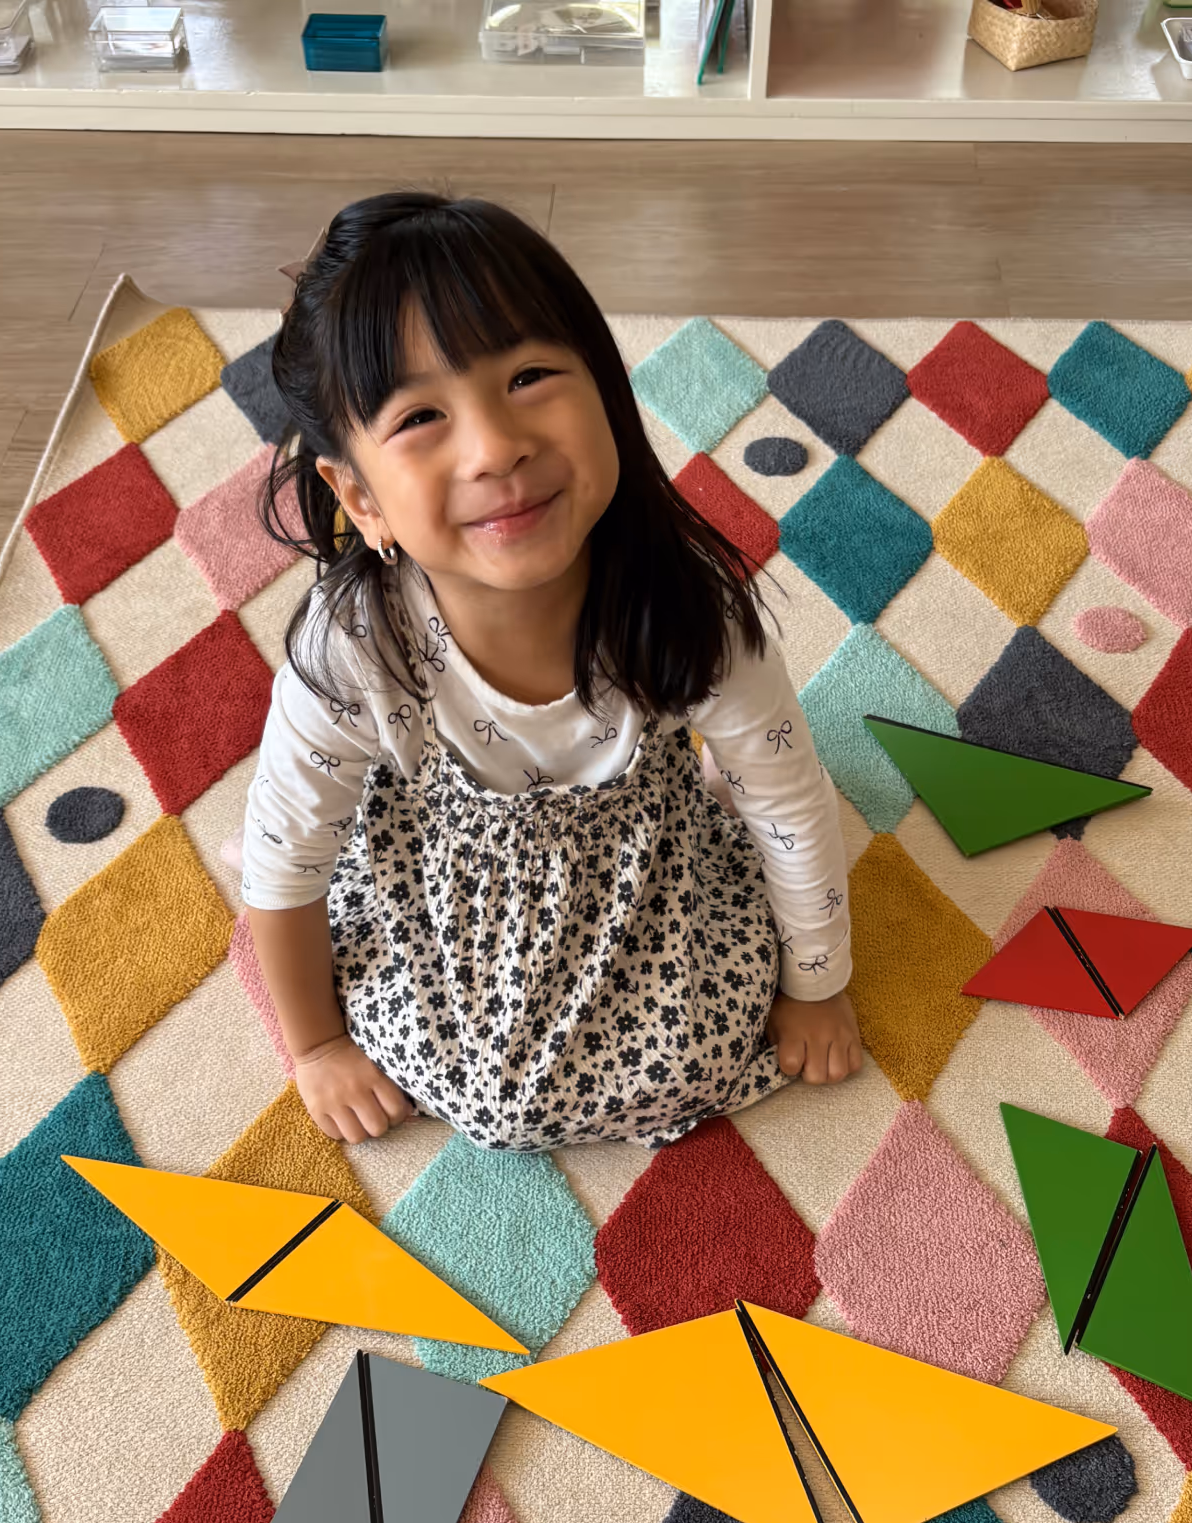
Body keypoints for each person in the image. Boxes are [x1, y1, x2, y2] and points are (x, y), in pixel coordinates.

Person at [230, 191, 860, 1153]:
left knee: (698, 1043)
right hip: (447, 901)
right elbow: (284, 857)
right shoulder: (354, 646)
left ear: (609, 394)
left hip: (650, 885)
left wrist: (818, 987)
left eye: (528, 375)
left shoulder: (686, 610)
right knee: (482, 1085)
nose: (496, 447)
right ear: (358, 496)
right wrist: (315, 1044)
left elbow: (789, 802)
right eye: (421, 417)